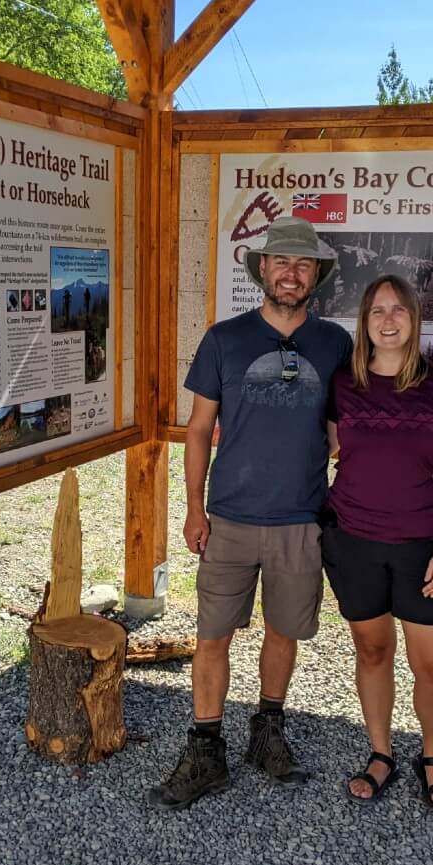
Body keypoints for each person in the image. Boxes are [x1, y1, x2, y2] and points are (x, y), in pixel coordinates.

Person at [146, 216, 353, 810]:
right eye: (281, 262)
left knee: (283, 630)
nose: (291, 273)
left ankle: (267, 730)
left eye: (303, 265)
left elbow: (349, 428)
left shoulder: (334, 344)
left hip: (300, 518)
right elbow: (198, 428)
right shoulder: (224, 339)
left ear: (316, 276)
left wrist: (425, 456)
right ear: (262, 269)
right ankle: (206, 748)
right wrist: (192, 508)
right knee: (212, 635)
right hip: (231, 516)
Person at [323, 275, 433, 811]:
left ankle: (431, 755)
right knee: (373, 650)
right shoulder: (343, 384)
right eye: (377, 311)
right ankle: (381, 752)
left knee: (432, 666)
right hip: (354, 541)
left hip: (422, 546)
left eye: (399, 311)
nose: (388, 320)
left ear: (414, 320)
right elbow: (335, 448)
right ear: (364, 322)